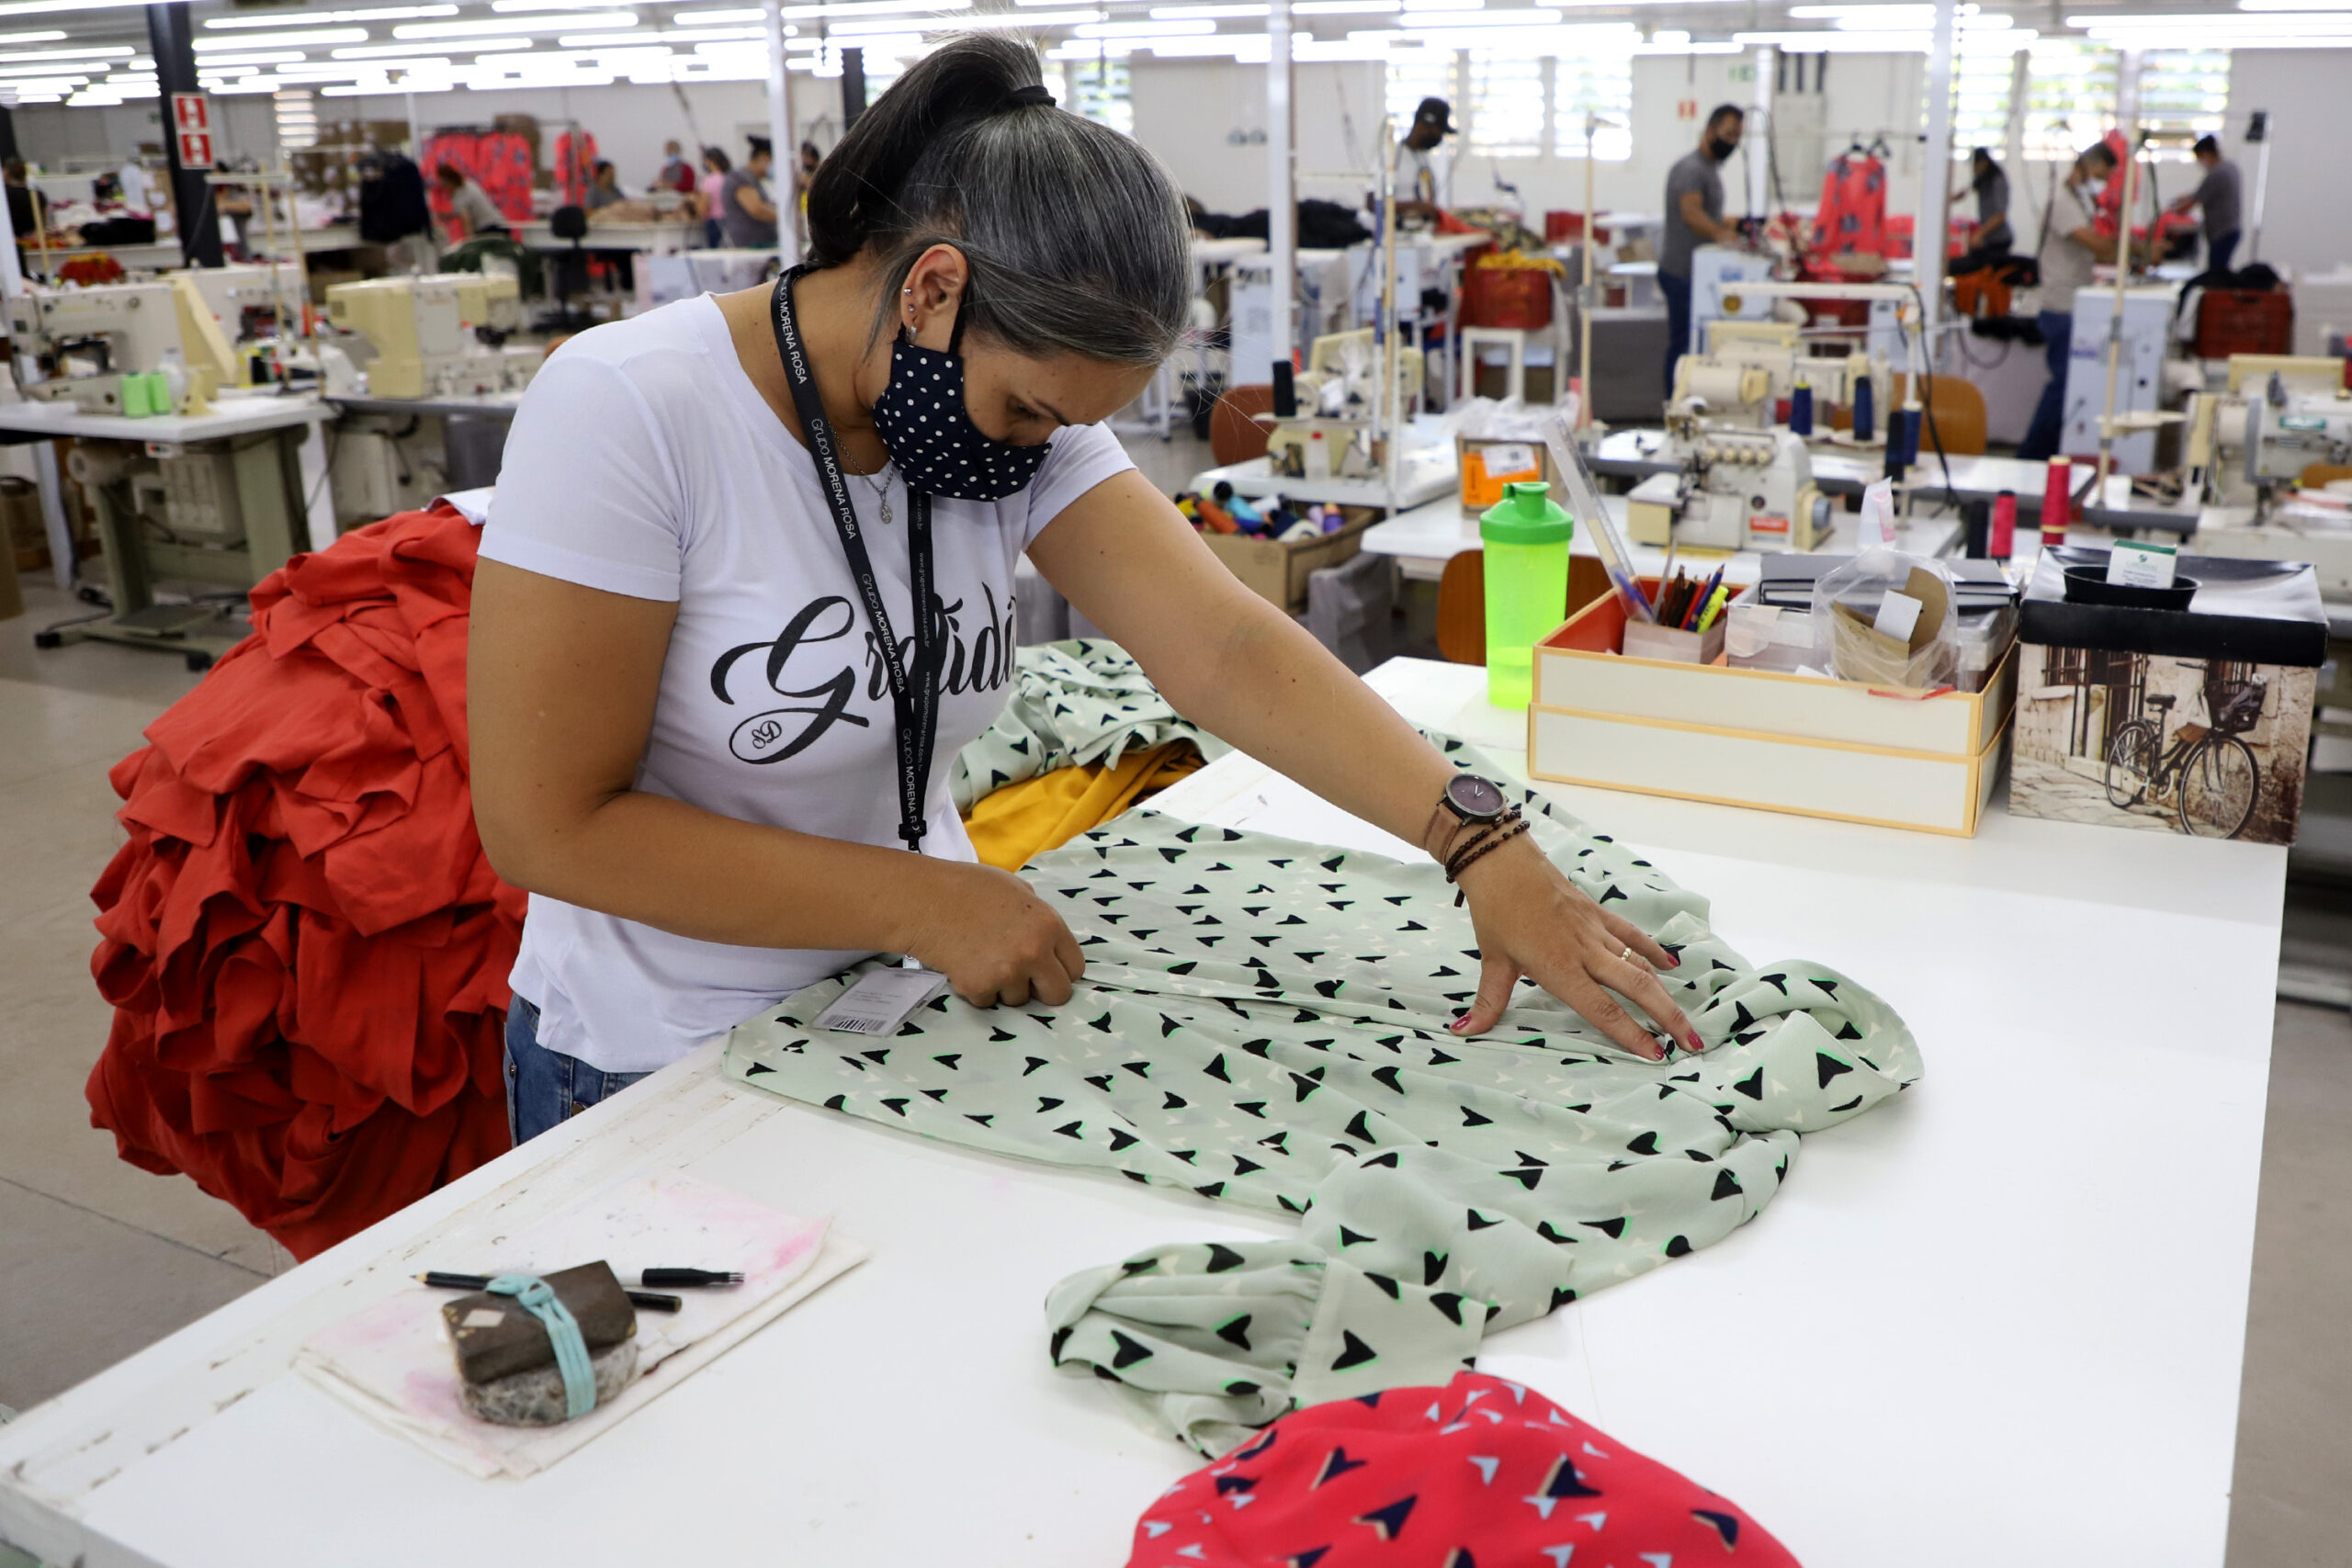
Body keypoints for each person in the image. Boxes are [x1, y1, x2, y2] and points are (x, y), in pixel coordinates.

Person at [469, 34, 1700, 1143]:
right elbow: (546, 824)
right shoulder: (632, 408)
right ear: (932, 288)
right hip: (654, 1060)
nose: (1038, 448)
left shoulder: (1004, 415)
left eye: (1065, 425)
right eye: (1028, 409)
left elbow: (1221, 645)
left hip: (898, 1015)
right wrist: (923, 900)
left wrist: (1478, 839)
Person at [2018, 141, 2118, 462]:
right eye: (2102, 175)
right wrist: (2135, 250)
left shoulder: (2078, 200)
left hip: (2075, 303)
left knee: (2069, 385)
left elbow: (2098, 247)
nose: (2102, 183)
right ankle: (2032, 456)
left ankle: (2050, 455)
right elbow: (2097, 245)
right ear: (2088, 167)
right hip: (2060, 306)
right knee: (2062, 385)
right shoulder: (2063, 202)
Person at [1658, 104, 1745, 397]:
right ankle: (1674, 402)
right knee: (1684, 344)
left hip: (1696, 273)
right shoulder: (1691, 169)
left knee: (1694, 343)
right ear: (1710, 131)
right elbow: (1691, 213)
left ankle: (1687, 400)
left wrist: (1734, 225)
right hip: (1682, 272)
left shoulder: (1709, 169)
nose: (1732, 142)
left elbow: (1708, 213)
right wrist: (1722, 235)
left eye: (1737, 137)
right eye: (1728, 134)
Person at [2168, 134, 2244, 275]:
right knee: (2219, 270)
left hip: (2222, 231)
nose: (2200, 162)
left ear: (2206, 154)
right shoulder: (2230, 168)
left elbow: (2193, 201)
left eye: (2199, 158)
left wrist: (2170, 213)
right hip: (2231, 229)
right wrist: (2181, 200)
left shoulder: (2217, 174)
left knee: (2216, 273)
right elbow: (2199, 194)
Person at [1949, 147, 2012, 274]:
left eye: (1974, 166)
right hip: (1988, 238)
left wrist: (1980, 234)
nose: (1973, 170)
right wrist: (1949, 199)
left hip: (1999, 239)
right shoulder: (1983, 178)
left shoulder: (1997, 181)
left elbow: (2000, 216)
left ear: (1983, 163)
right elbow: (1966, 192)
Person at [1395, 96, 1452, 227]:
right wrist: (1417, 206)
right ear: (1423, 126)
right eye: (1439, 131)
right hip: (1397, 234)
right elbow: (1372, 203)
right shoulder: (1392, 156)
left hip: (1422, 232)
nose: (1440, 137)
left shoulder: (1424, 156)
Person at [720, 136, 780, 249]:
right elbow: (757, 209)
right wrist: (787, 218)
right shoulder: (739, 178)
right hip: (747, 247)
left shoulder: (755, 181)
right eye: (773, 161)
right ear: (763, 158)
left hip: (762, 244)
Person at [436, 162, 508, 242]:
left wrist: (470, 242)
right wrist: (449, 216)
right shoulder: (470, 183)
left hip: (488, 230)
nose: (440, 183)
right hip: (501, 224)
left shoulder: (458, 196)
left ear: (446, 181)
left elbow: (467, 222)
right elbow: (474, 208)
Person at [6, 159, 46, 243]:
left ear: (7, 173)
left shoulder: (5, 196)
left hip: (9, 242)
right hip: (32, 242)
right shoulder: (37, 195)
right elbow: (42, 224)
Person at [698, 145, 730, 248]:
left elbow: (703, 207)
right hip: (730, 220)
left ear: (709, 161)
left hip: (714, 222)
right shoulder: (729, 178)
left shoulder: (708, 181)